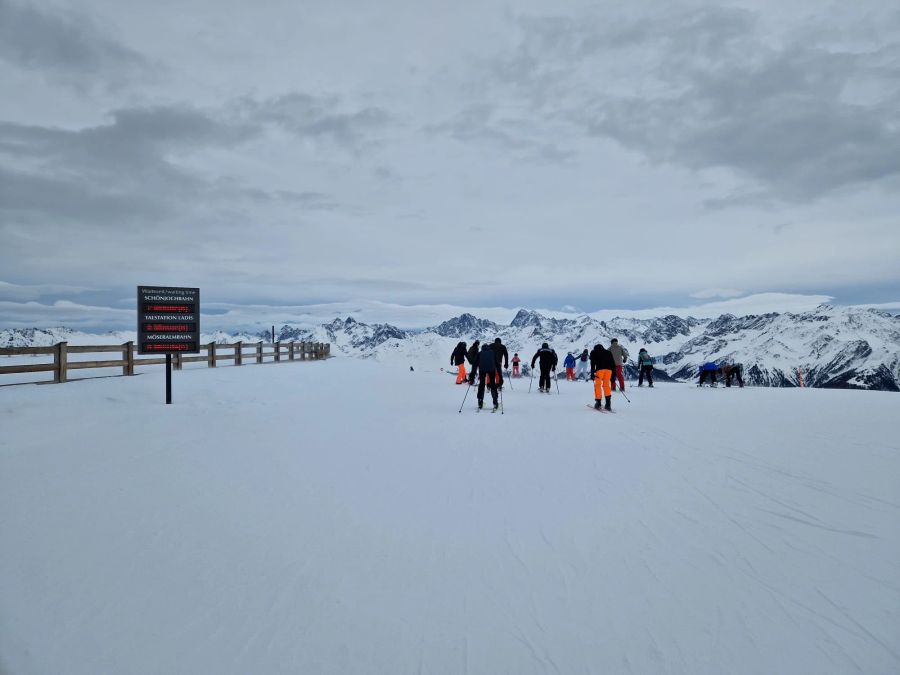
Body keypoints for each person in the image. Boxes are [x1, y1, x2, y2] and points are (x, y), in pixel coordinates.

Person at [590, 343, 615, 410]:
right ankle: (608, 404)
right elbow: (613, 364)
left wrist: (592, 374)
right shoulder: (608, 352)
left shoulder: (594, 352)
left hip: (599, 371)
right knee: (606, 386)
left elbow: (592, 364)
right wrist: (613, 376)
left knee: (597, 385)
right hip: (609, 371)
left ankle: (598, 403)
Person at [475, 342, 500, 410]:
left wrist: (472, 374)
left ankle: (480, 402)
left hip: (482, 370)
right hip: (492, 369)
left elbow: (475, 363)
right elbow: (497, 364)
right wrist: (500, 375)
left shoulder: (480, 353)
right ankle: (495, 401)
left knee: (482, 384)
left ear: (482, 348)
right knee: (493, 384)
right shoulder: (492, 352)